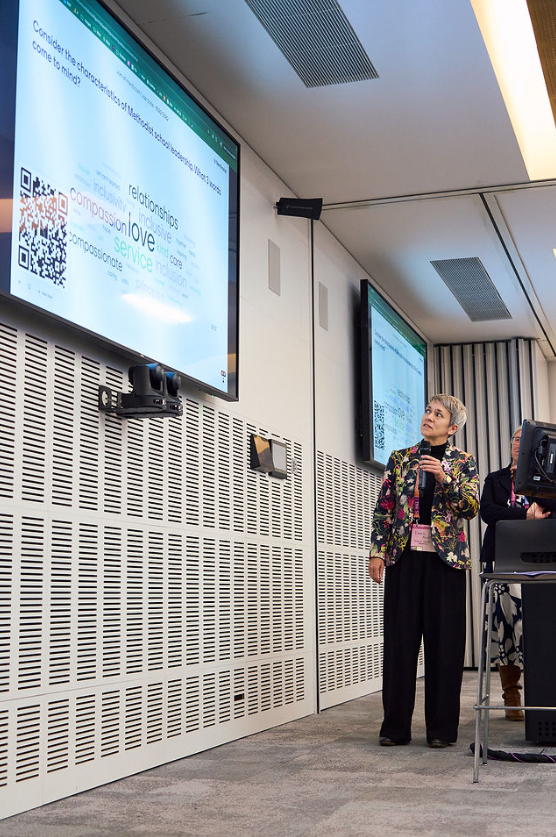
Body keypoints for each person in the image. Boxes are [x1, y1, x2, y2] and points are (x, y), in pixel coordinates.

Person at [368, 394, 479, 748]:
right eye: (428, 410)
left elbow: (471, 506)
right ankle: (395, 727)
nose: (429, 416)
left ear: (453, 426)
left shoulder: (464, 462)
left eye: (438, 413)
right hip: (404, 558)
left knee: (444, 645)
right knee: (400, 643)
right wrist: (377, 552)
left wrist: (445, 477)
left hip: (445, 562)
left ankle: (441, 730)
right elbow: (384, 508)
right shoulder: (401, 459)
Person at [479, 427, 552, 720]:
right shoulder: (496, 479)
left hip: (541, 561)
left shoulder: (547, 481)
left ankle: (543, 691)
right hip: (502, 559)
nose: (519, 444)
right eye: (516, 439)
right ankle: (512, 693)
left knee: (538, 627)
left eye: (525, 440)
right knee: (506, 627)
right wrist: (525, 515)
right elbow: (488, 512)